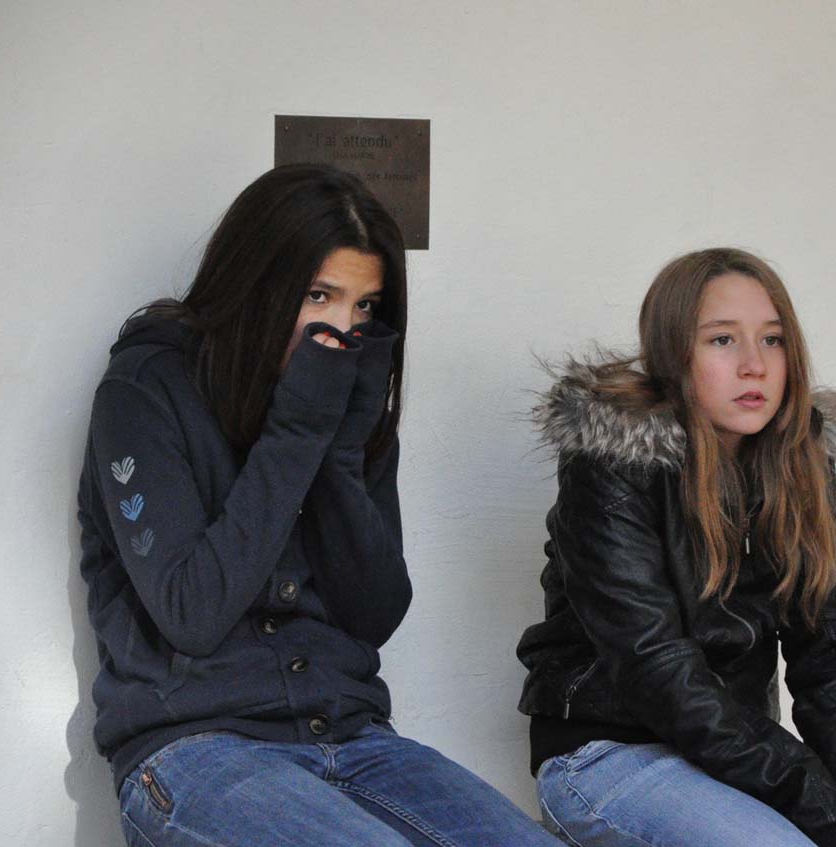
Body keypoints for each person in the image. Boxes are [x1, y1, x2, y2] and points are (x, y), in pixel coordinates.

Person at [77, 164, 558, 847]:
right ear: (257, 285)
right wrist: (299, 432)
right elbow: (193, 613)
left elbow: (373, 614)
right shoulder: (145, 391)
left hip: (354, 738)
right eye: (319, 295)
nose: (342, 328)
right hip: (194, 750)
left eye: (365, 306)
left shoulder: (344, 405)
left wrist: (337, 453)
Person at [515, 248, 836, 847]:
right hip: (608, 753)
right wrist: (814, 799)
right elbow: (653, 666)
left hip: (740, 756)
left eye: (772, 340)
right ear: (673, 354)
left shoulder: (799, 462)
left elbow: (832, 649)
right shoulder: (613, 463)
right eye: (722, 340)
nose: (754, 366)